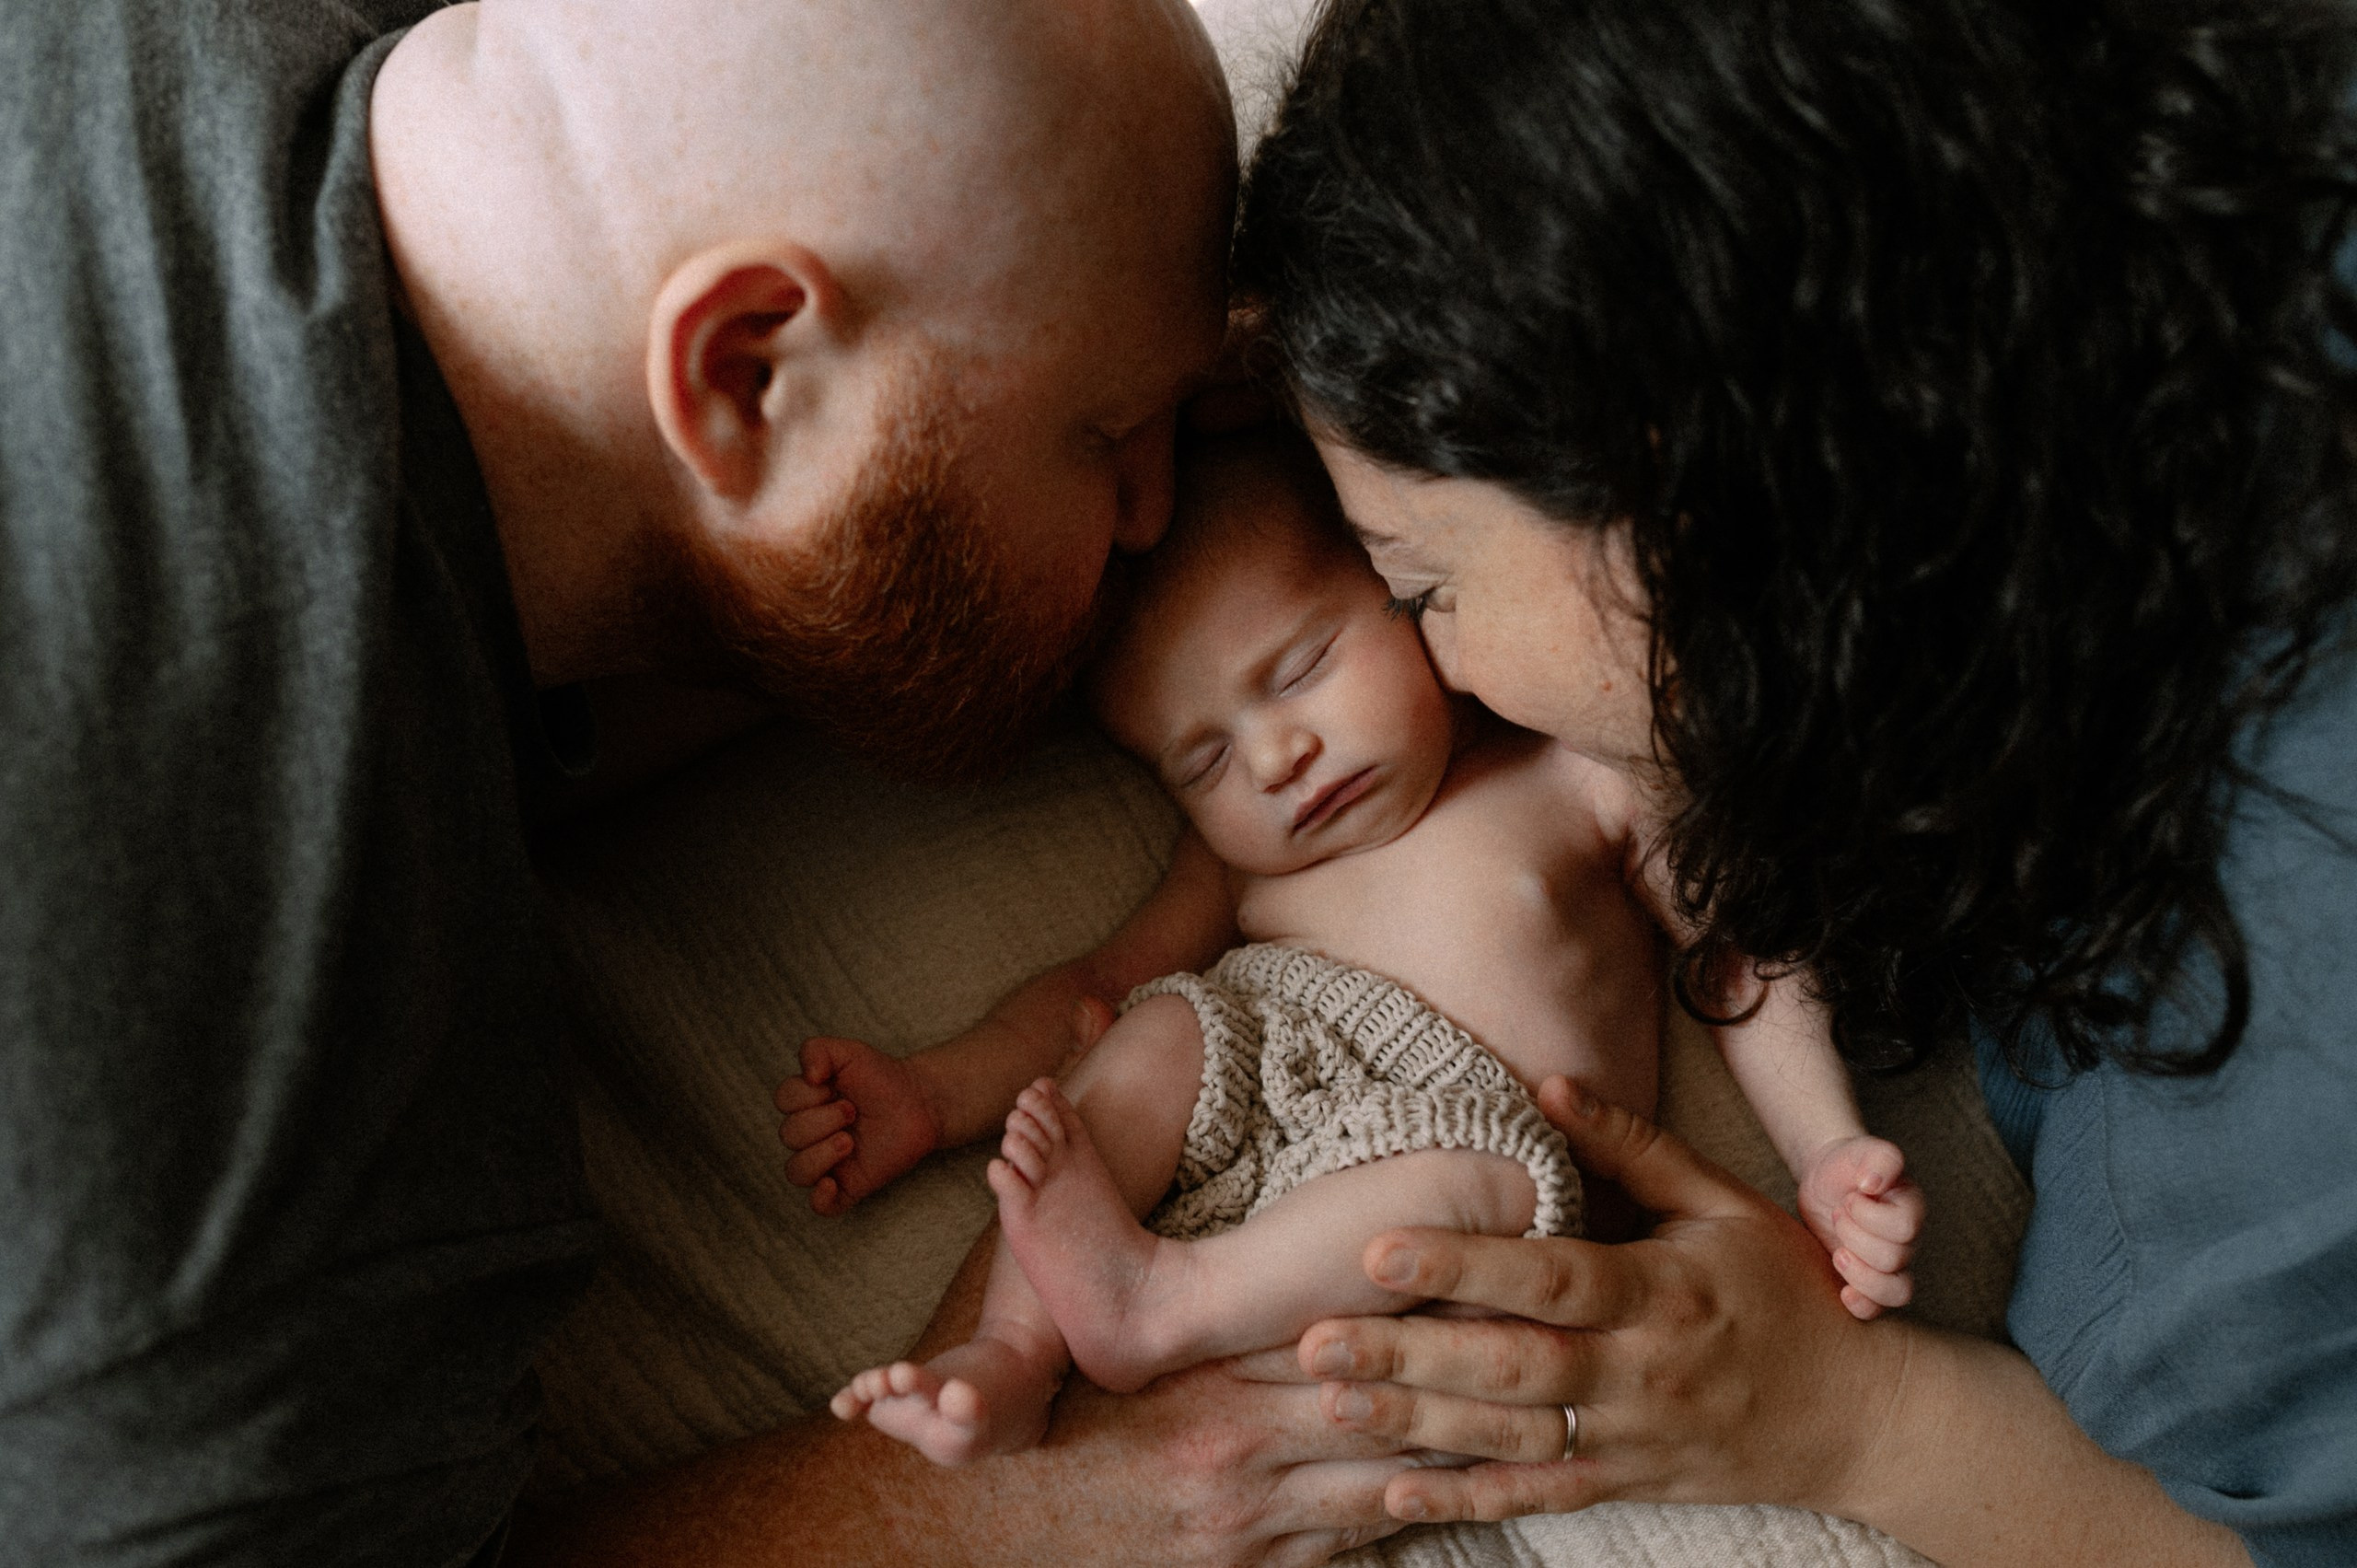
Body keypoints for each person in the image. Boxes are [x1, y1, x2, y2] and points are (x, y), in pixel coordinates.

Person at [0, 0, 1423, 1563]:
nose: (1160, 508)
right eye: (1107, 434)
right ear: (743, 373)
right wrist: (1061, 1497)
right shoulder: (254, 1173)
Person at [1228, 1, 2357, 1565]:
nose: (1452, 680)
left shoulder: (2237, 1185)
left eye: (1423, 589)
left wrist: (1846, 1416)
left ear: (1682, 500)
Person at [795, 434, 1922, 1465]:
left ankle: (1164, 1301)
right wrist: (934, 1094)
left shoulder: (1572, 773)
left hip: (1487, 1167)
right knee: (1152, 1034)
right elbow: (1090, 989)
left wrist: (1825, 1149)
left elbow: (1738, 956)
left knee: (1470, 1168)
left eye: (1297, 670)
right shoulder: (1245, 865)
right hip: (1272, 1120)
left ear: (1414, 599)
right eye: (1202, 762)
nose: (1277, 755)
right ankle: (1013, 1354)